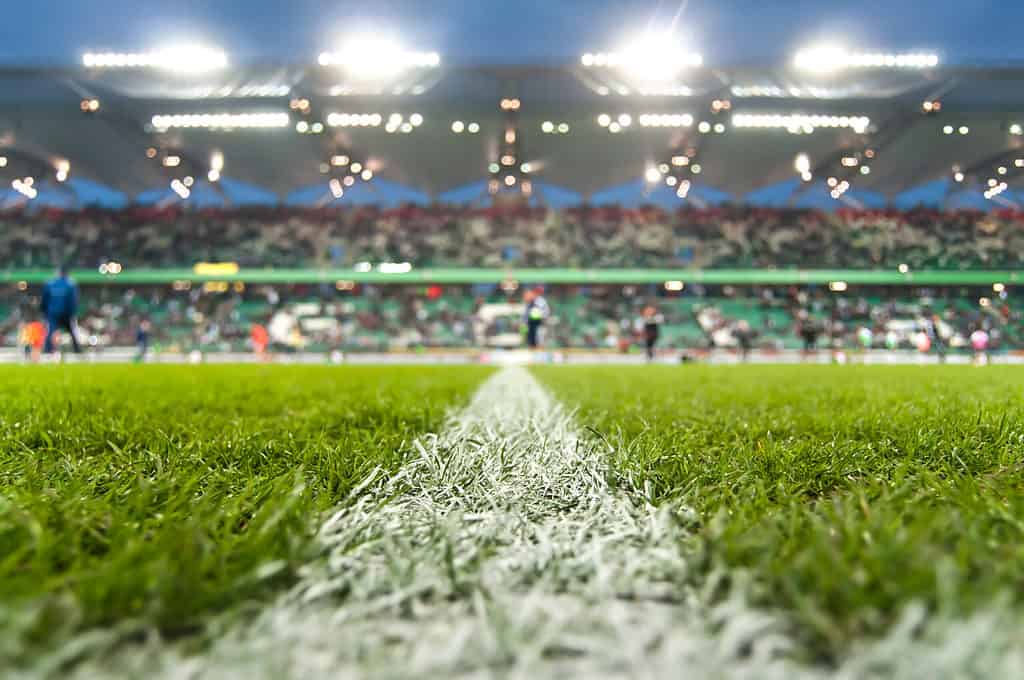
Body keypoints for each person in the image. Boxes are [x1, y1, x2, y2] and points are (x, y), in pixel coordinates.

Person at [41, 266, 81, 354]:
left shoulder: (50, 284)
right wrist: (73, 313)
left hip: (53, 313)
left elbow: (44, 300)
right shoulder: (70, 284)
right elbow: (73, 300)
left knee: (50, 331)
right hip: (66, 313)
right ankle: (77, 350)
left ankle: (47, 350)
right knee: (72, 331)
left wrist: (44, 312)